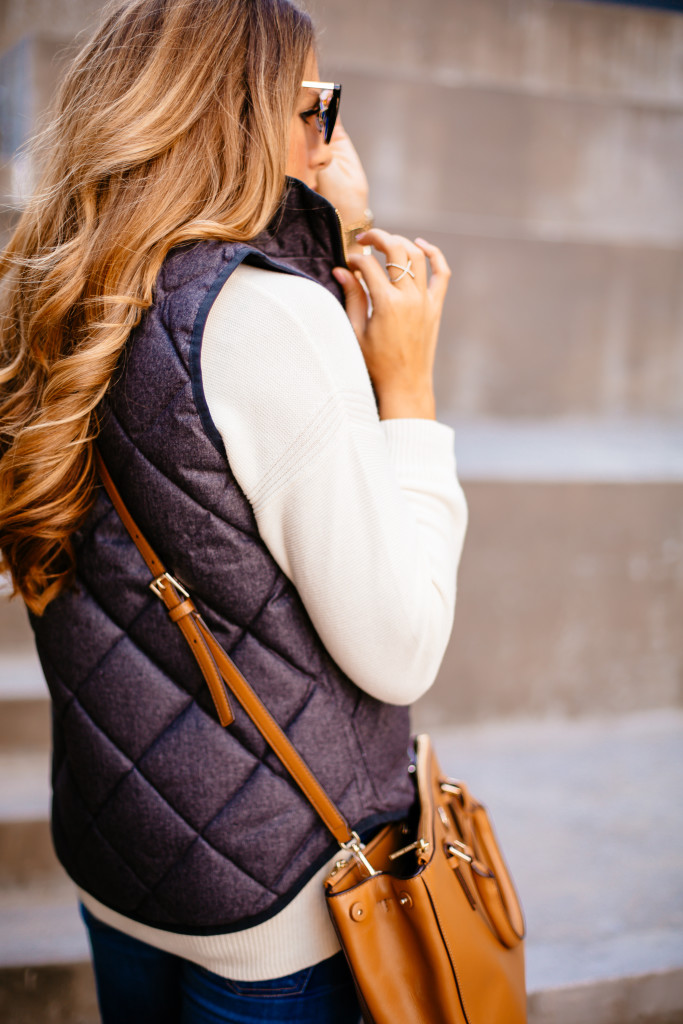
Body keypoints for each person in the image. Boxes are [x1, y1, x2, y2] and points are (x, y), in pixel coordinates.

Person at [0, 0, 468, 1021]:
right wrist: (411, 397)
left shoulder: (59, 292)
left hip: (120, 862)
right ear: (259, 118)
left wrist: (325, 236)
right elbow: (399, 648)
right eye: (317, 104)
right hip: (279, 911)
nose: (331, 132)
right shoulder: (267, 316)